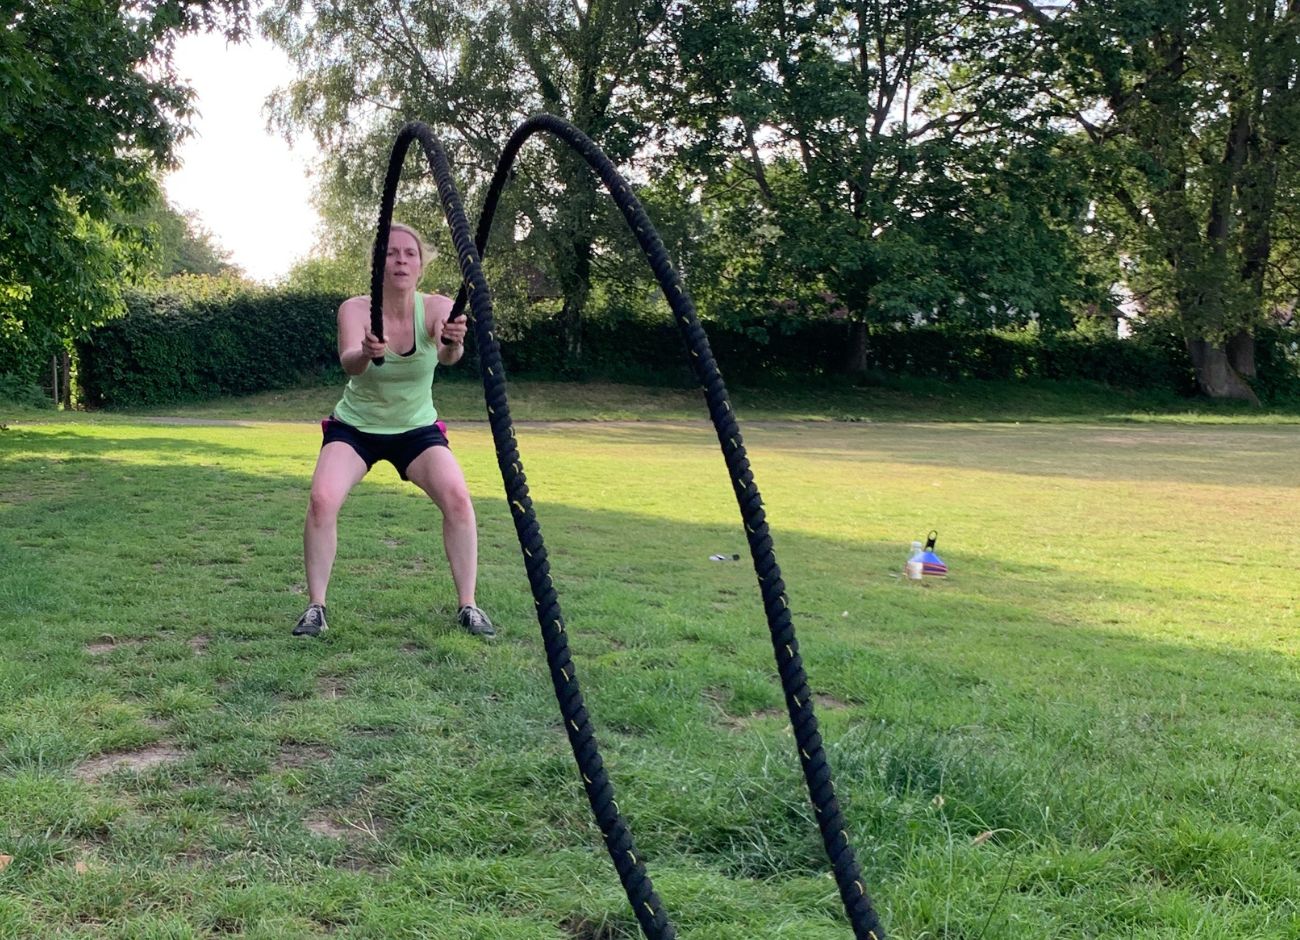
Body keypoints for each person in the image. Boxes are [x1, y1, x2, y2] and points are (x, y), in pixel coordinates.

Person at [293, 222, 495, 639]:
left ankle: (469, 606)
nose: (401, 260)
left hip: (416, 430)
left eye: (409, 254)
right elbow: (348, 361)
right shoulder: (355, 309)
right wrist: (366, 353)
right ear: (377, 263)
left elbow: (447, 354)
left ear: (420, 266)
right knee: (321, 500)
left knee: (458, 499)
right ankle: (316, 607)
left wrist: (455, 342)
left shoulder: (437, 307)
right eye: (391, 253)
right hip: (356, 428)